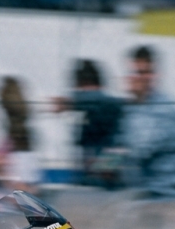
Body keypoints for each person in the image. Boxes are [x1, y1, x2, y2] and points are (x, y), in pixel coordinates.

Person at [116, 45, 175, 197]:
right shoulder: (132, 107)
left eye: (146, 73)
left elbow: (140, 148)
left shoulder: (165, 109)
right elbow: (119, 141)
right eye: (136, 73)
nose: (141, 78)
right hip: (140, 193)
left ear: (155, 74)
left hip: (164, 193)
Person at [52, 59, 124, 187]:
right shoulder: (87, 109)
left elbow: (117, 146)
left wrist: (105, 166)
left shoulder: (108, 105)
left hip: (107, 180)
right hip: (89, 177)